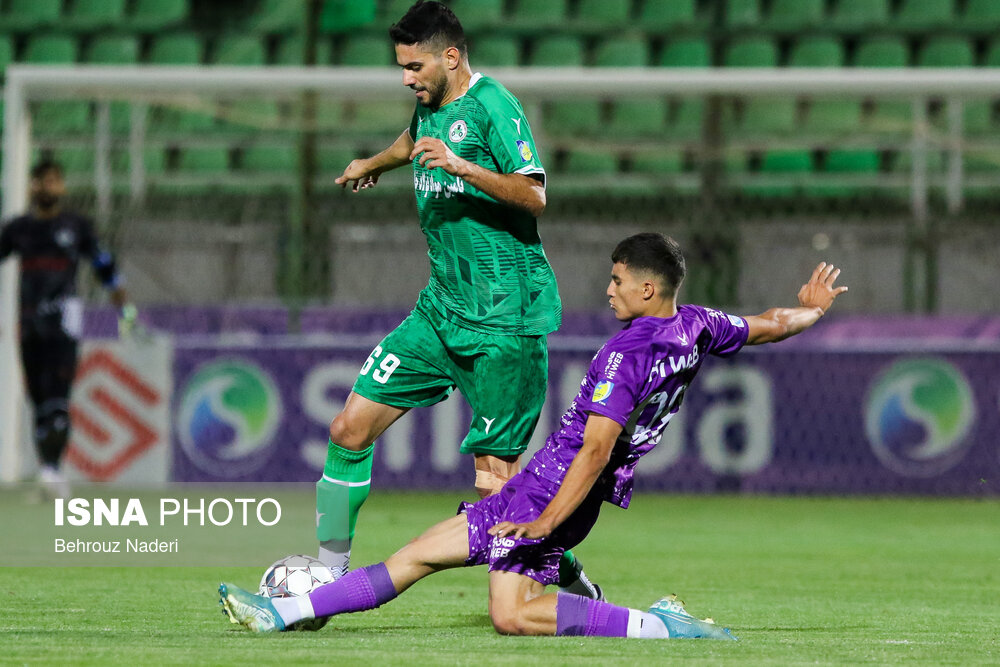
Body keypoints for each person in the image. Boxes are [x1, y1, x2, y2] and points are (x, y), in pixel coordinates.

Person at [220, 233, 848, 639]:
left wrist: (545, 521)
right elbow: (767, 323)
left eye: (617, 279)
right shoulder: (697, 325)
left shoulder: (626, 354)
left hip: (550, 491)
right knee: (419, 559)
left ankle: (660, 626)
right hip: (562, 489)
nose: (608, 288)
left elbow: (597, 447)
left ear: (647, 287)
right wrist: (814, 311)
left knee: (510, 613)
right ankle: (280, 614)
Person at [320, 1, 599, 598]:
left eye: (414, 65)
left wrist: (461, 166)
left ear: (451, 56)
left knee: (495, 490)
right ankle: (325, 572)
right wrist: (372, 163)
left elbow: (534, 193)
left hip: (505, 320)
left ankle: (568, 577)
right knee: (349, 427)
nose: (406, 77)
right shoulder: (429, 105)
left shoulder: (495, 105)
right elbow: (414, 138)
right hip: (441, 310)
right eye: (400, 66)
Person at [0, 159, 136, 498]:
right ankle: (50, 470)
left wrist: (123, 303)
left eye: (54, 182)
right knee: (39, 401)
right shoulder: (18, 229)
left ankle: (51, 471)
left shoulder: (76, 226)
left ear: (61, 187)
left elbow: (104, 264)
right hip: (29, 322)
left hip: (65, 321)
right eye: (42, 182)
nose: (49, 188)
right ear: (32, 186)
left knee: (59, 401)